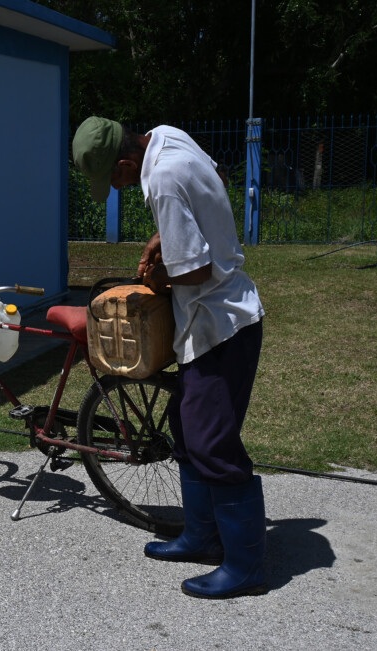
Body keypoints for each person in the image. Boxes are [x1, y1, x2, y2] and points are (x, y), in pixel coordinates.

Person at [72, 117, 267, 599]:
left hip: (221, 326)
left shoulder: (160, 176)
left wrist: (159, 280)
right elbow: (216, 182)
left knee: (213, 444)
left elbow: (197, 268)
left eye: (114, 180)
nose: (117, 188)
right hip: (208, 324)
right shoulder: (168, 136)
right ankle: (201, 536)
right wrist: (166, 236)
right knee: (185, 425)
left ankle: (246, 566)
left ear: (124, 162)